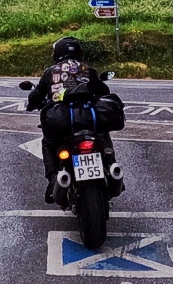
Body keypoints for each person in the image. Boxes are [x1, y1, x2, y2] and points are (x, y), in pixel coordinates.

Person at [26, 37, 116, 203]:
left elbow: (36, 96)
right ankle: (112, 167)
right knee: (103, 133)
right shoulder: (88, 70)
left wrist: (31, 104)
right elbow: (104, 91)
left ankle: (53, 178)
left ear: (57, 53)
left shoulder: (51, 72)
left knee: (48, 142)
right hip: (89, 119)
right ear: (79, 53)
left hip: (62, 122)